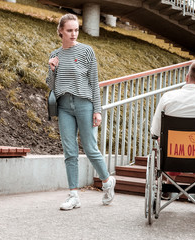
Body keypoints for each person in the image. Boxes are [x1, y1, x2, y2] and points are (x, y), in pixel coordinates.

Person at [46, 13, 116, 210]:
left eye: (76, 30)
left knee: (90, 148)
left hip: (84, 104)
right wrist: (51, 69)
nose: (74, 33)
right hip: (64, 106)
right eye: (69, 30)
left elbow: (94, 83)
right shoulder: (55, 55)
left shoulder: (87, 51)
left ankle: (107, 181)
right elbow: (51, 85)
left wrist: (98, 110)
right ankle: (73, 195)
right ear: (60, 31)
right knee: (70, 151)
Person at [150, 59, 195, 202]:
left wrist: (157, 136)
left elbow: (155, 129)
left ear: (186, 77)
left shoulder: (168, 97)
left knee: (171, 143)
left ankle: (168, 185)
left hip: (172, 155)